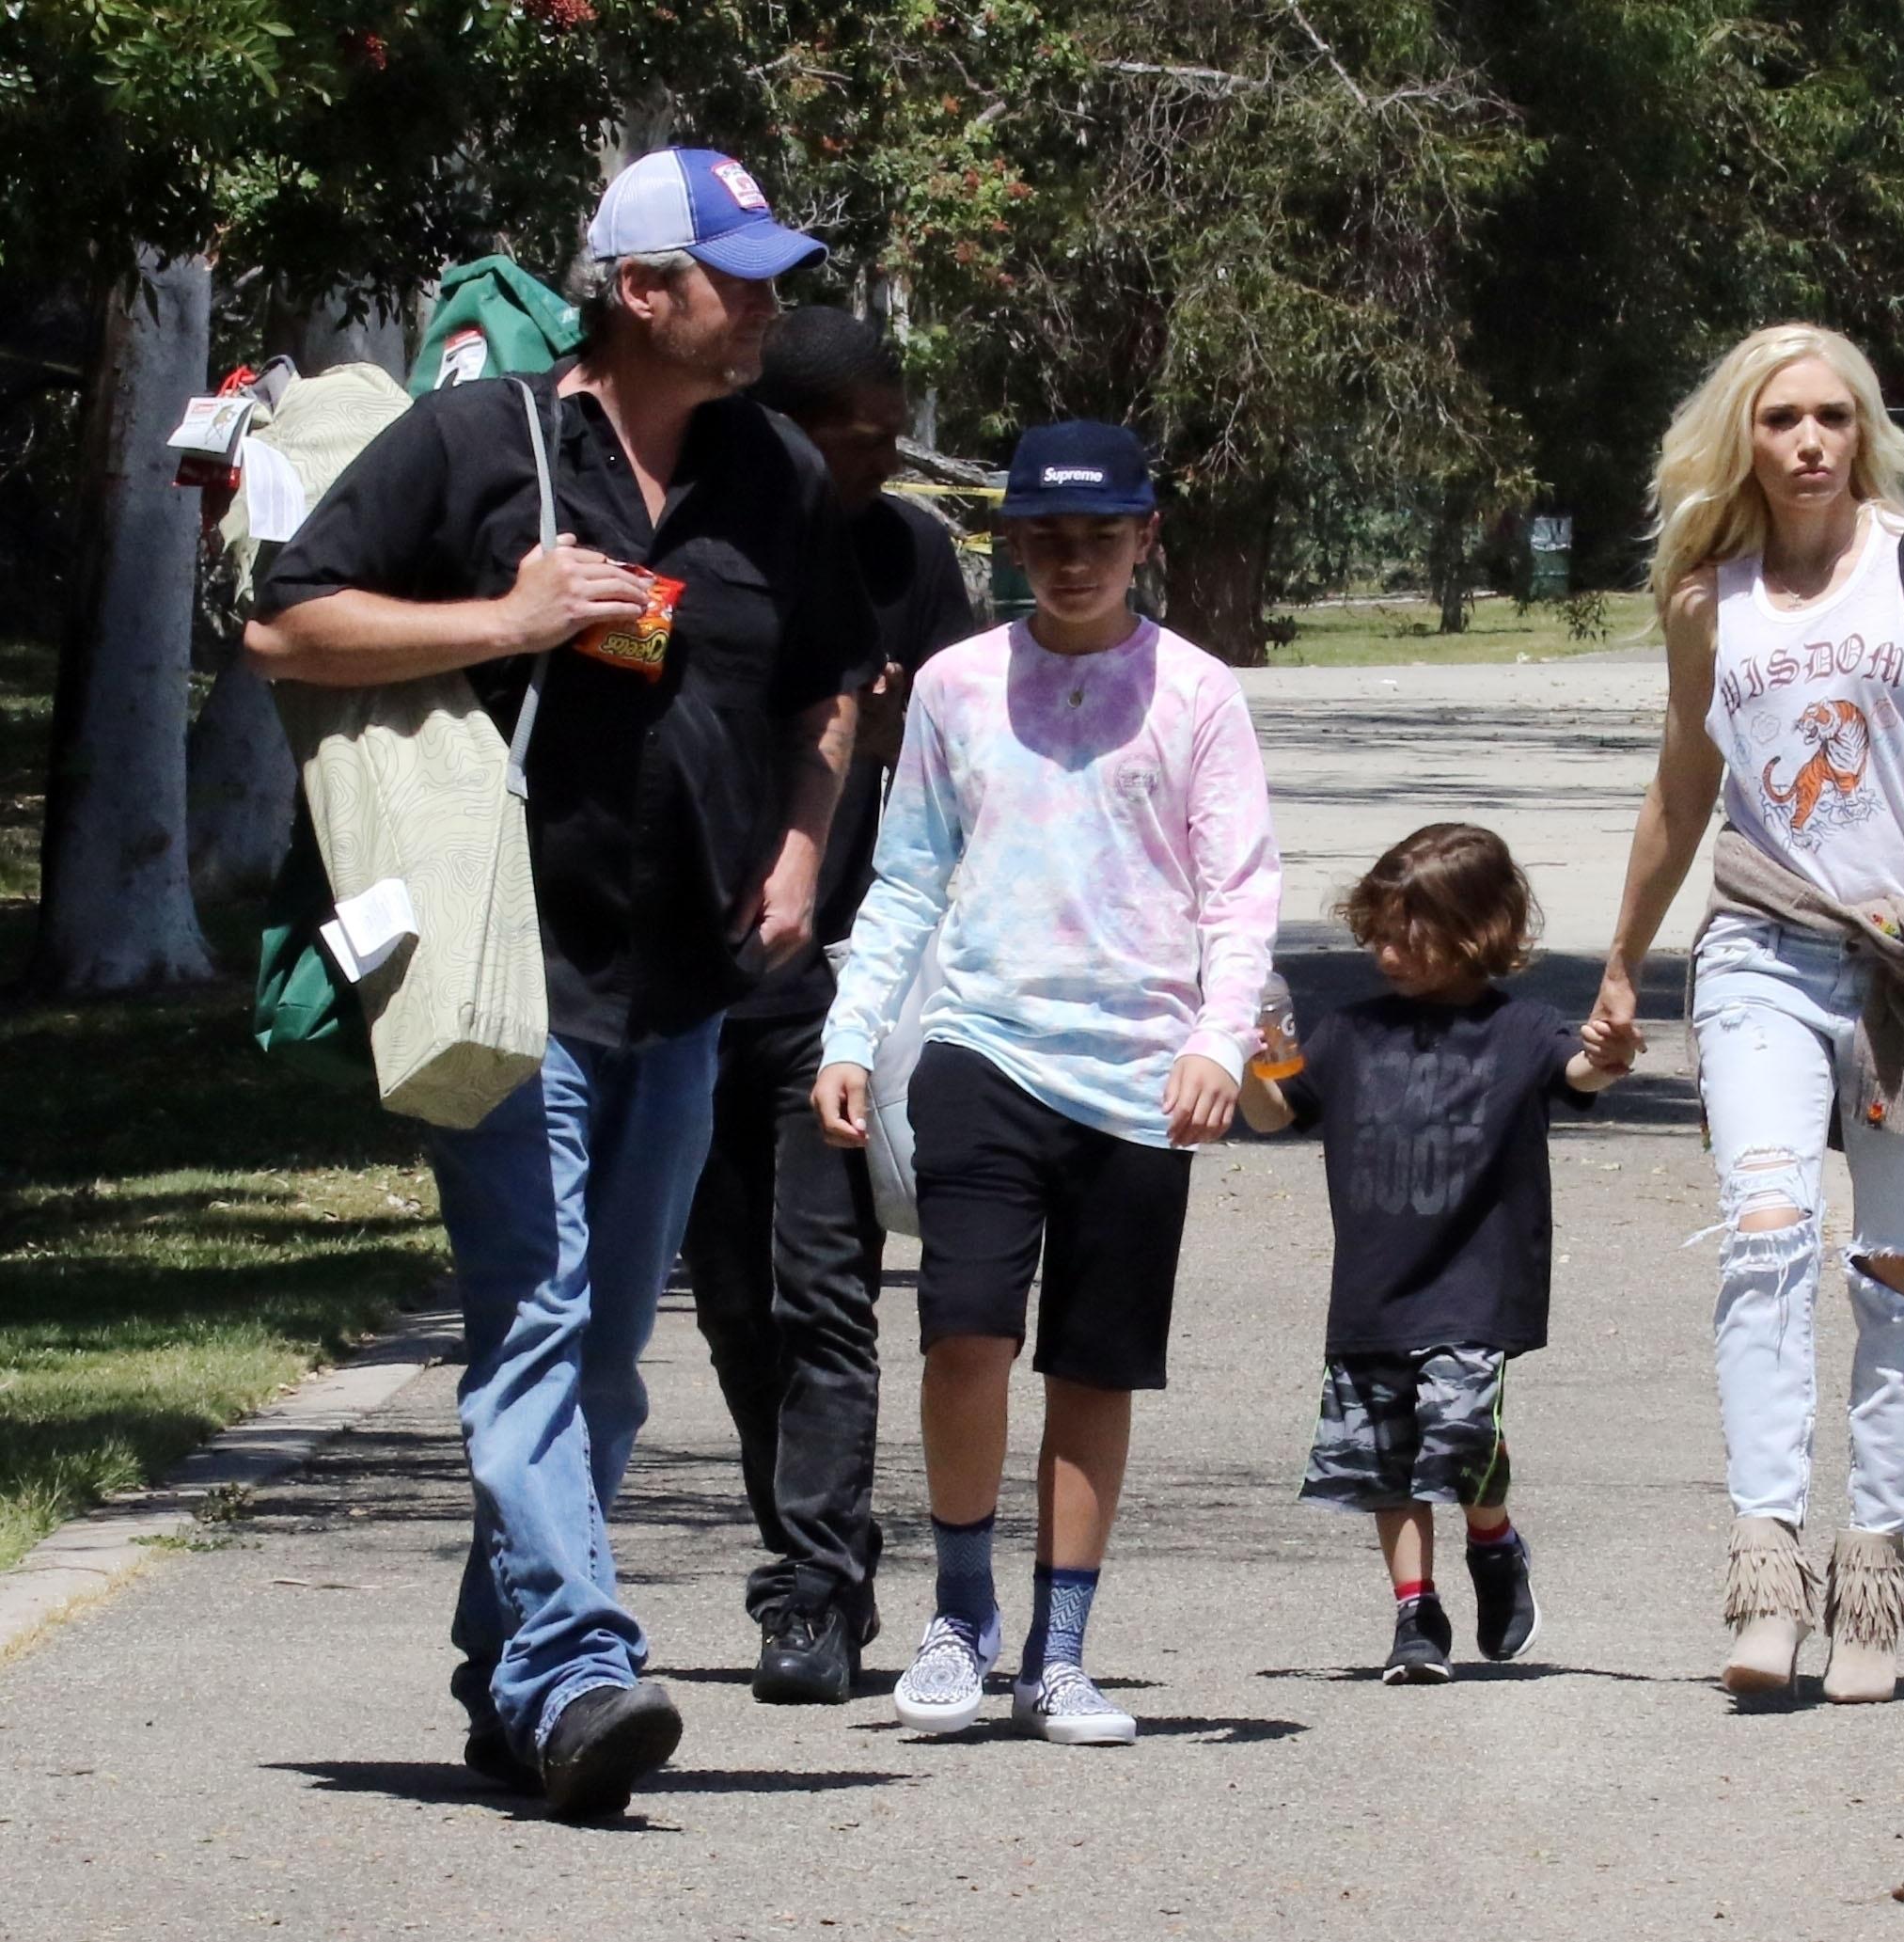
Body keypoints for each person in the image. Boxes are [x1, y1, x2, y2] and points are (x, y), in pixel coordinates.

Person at [244, 149, 870, 1817]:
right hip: (506, 971)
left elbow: (827, 689)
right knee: (533, 1317)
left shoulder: (775, 471)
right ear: (636, 289)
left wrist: (803, 853)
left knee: (599, 1349)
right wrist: (506, 619)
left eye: (768, 274)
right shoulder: (477, 444)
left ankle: (506, 1682)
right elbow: (284, 629)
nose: (765, 302)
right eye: (732, 274)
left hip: (685, 986)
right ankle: (584, 1661)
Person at [1588, 323, 1904, 1703]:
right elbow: (1684, 786)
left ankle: (1874, 1572)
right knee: (1765, 1232)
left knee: (1898, 1271)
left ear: (1862, 430)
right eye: (1782, 418)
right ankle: (1762, 1571)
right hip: (1759, 948)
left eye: (1832, 417)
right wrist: (1623, 960)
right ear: (1741, 434)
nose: (1809, 442)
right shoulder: (1707, 597)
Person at [813, 419, 1281, 1747]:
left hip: (1141, 1073)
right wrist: (850, 1033)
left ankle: (1059, 1653)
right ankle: (956, 1619)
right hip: (982, 1047)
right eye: (1045, 537)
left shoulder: (1197, 695)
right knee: (965, 1331)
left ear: (1146, 540)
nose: (1071, 560)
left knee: (1094, 1362)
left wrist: (1218, 1040)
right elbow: (905, 873)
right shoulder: (958, 685)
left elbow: (1239, 893)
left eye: (1098, 535)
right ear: (1011, 545)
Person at [682, 308, 978, 1706]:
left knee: (822, 1291)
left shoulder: (907, 558)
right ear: (794, 431)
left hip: (839, 982)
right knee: (734, 1305)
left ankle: (811, 1589)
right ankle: (824, 1544)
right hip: (678, 976)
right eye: (866, 437)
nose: (888, 457)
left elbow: (966, 758)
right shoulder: (699, 536)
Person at [1236, 825, 1631, 1682]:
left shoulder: (1519, 1029)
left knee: (1456, 1435)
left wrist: (1610, 1057)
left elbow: (1580, 1076)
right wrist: (1247, 1061)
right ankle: (1415, 1613)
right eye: (1376, 930)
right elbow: (1275, 1114)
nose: (1383, 951)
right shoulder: (1347, 1032)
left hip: (1475, 1283)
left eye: (1405, 934)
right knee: (1385, 1461)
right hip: (1375, 1290)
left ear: (1474, 930)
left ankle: (1492, 1537)